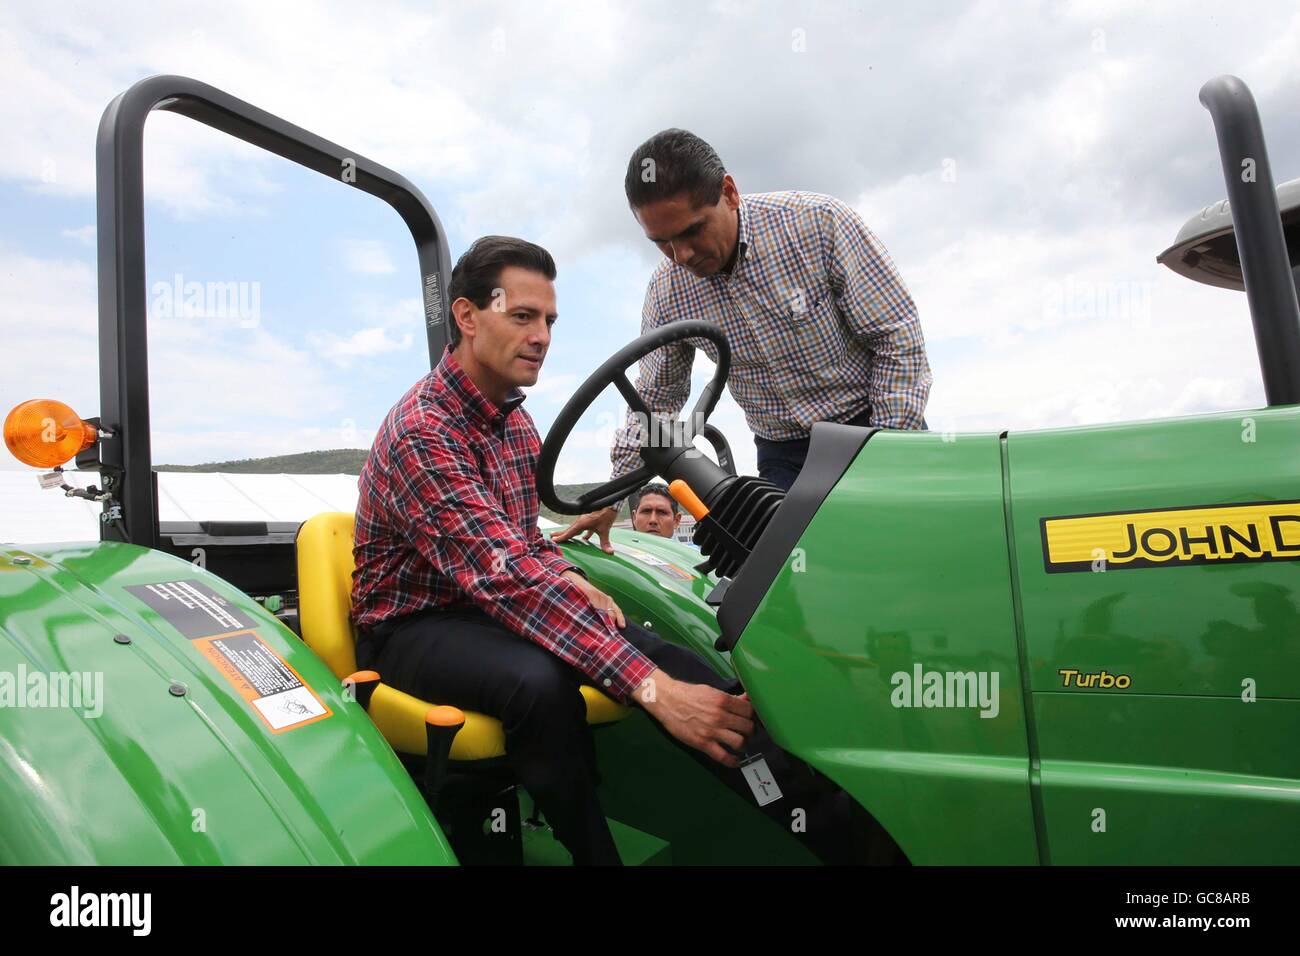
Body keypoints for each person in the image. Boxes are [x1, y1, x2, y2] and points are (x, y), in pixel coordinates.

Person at [350, 235, 850, 865]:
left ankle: (824, 816)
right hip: (413, 625)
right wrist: (652, 692)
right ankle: (591, 850)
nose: (541, 337)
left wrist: (568, 575)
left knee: (659, 647)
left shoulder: (514, 419)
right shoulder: (423, 432)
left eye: (549, 321)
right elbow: (502, 574)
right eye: (522, 316)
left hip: (484, 606)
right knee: (541, 684)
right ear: (468, 317)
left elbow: (522, 540)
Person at [555, 129, 931, 554]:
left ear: (729, 193)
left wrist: (887, 459)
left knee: (907, 555)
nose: (682, 255)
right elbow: (656, 398)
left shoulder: (818, 224)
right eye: (661, 242)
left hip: (871, 429)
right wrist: (610, 499)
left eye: (692, 231)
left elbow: (895, 338)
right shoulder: (667, 290)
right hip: (783, 455)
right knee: (791, 576)